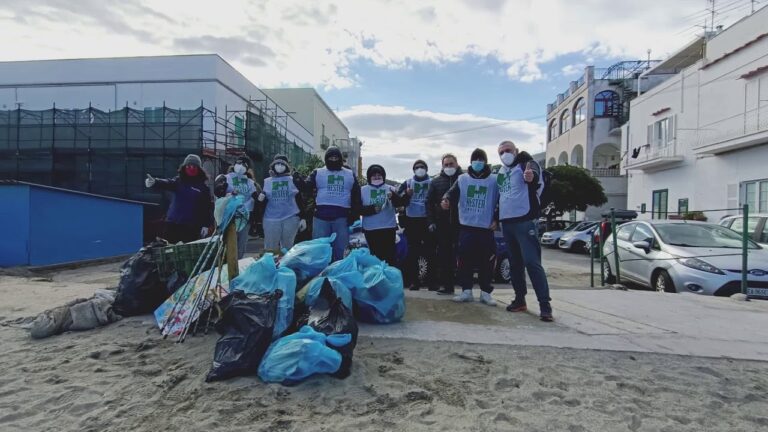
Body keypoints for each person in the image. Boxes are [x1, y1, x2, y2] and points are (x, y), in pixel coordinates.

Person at [496, 141, 553, 321]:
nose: (505, 154)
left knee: (532, 262)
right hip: (507, 223)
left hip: (525, 221)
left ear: (516, 151)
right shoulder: (501, 171)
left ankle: (545, 305)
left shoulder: (526, 164)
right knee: (515, 265)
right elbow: (501, 196)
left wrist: (531, 177)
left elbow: (535, 177)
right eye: (502, 152)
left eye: (508, 150)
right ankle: (519, 300)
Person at [442, 148, 499, 306]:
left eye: (481, 159)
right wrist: (445, 200)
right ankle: (466, 291)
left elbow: (503, 200)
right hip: (467, 228)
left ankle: (486, 293)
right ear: (470, 162)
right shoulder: (462, 179)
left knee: (486, 262)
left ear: (486, 162)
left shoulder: (494, 180)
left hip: (486, 229)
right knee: (464, 261)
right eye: (475, 159)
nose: (478, 162)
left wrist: (497, 218)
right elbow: (450, 193)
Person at [299, 146, 362, 262]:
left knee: (341, 250)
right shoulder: (318, 172)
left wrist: (355, 213)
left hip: (342, 218)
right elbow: (307, 187)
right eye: (331, 157)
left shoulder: (349, 174)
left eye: (336, 157)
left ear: (340, 159)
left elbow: (356, 195)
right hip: (321, 218)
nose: (333, 160)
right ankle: (320, 275)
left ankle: (338, 274)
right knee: (320, 249)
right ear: (326, 158)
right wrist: (300, 182)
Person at [145, 154, 214, 244]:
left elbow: (207, 208)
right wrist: (155, 182)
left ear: (199, 169)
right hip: (172, 224)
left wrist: (206, 225)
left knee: (187, 252)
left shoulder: (203, 188)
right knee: (169, 250)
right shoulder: (179, 181)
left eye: (194, 166)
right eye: (188, 166)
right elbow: (168, 183)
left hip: (191, 227)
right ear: (184, 167)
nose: (191, 168)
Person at [426, 154, 462, 295]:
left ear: (457, 164)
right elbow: (428, 203)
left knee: (463, 256)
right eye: (446, 165)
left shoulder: (464, 179)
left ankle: (466, 288)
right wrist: (431, 222)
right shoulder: (435, 182)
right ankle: (447, 286)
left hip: (461, 224)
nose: (448, 167)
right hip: (442, 225)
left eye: (451, 164)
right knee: (444, 256)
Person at [398, 159, 437, 290]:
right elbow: (398, 200)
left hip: (427, 220)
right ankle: (414, 282)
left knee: (430, 252)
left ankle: (432, 282)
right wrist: (406, 195)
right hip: (412, 221)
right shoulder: (408, 182)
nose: (419, 169)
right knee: (413, 253)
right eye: (417, 167)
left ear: (426, 169)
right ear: (413, 170)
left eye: (422, 167)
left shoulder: (432, 182)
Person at [257, 154, 307, 253]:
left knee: (287, 249)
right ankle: (270, 267)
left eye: (282, 164)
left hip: (290, 217)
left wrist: (303, 217)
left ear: (287, 166)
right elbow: (263, 201)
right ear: (273, 165)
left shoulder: (292, 180)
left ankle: (285, 268)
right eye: (277, 163)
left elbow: (299, 199)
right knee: (270, 249)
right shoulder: (267, 181)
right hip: (271, 218)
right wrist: (260, 199)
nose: (279, 166)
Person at [360, 165, 405, 263]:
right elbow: (357, 209)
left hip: (388, 228)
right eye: (374, 175)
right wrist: (371, 209)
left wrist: (393, 197)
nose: (377, 177)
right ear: (369, 177)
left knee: (390, 257)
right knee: (374, 258)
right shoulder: (363, 190)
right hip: (370, 229)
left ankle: (389, 276)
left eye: (379, 175)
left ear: (383, 176)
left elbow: (400, 204)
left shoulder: (391, 189)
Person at [224, 156, 262, 259]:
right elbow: (219, 190)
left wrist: (260, 197)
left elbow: (256, 197)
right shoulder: (227, 177)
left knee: (241, 243)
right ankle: (228, 264)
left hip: (245, 216)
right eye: (238, 163)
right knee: (229, 243)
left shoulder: (250, 182)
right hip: (230, 215)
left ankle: (238, 263)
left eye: (244, 165)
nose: (240, 167)